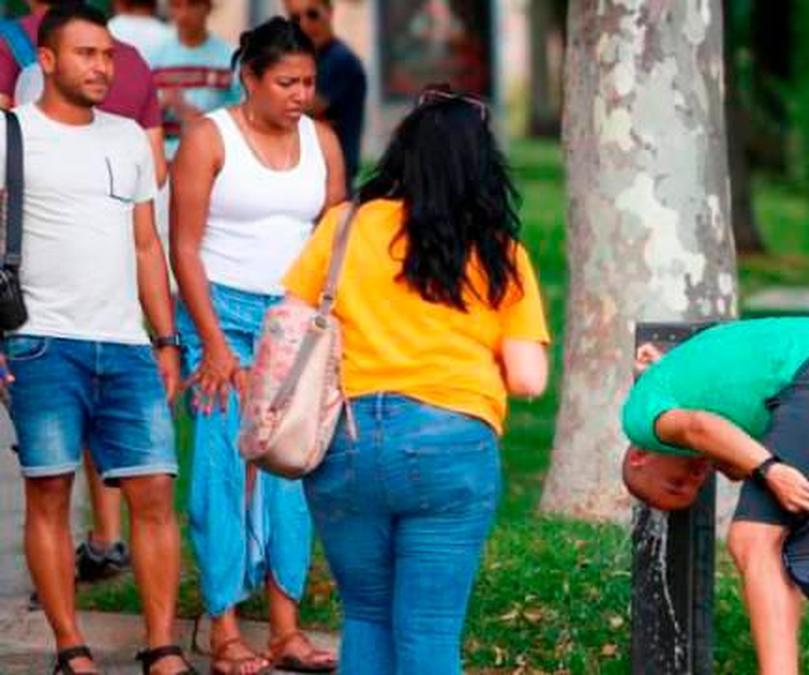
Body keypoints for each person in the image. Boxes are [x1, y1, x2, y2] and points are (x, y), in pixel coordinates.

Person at [281, 86, 550, 674]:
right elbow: (529, 378)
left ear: (403, 153)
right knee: (428, 629)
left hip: (344, 442)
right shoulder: (497, 250)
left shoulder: (345, 226)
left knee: (367, 616)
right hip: (452, 443)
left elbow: (292, 319)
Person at [0, 4, 193, 674]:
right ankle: (69, 645)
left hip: (127, 345)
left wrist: (165, 338)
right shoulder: (9, 134)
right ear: (46, 61)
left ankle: (163, 645)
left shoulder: (127, 139)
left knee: (154, 494)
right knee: (48, 493)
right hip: (42, 342)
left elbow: (146, 244)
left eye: (107, 55)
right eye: (86, 54)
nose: (102, 67)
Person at [170, 16, 344, 675]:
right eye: (286, 82)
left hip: (293, 322)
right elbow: (182, 246)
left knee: (290, 470)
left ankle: (285, 628)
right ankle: (222, 628)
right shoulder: (209, 137)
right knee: (220, 470)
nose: (300, 93)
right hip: (219, 313)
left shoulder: (321, 140)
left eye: (308, 81)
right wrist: (212, 342)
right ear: (249, 77)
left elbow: (330, 242)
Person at [621, 317, 809, 675]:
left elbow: (698, 427)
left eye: (674, 484)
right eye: (692, 489)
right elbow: (719, 417)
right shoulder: (678, 387)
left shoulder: (639, 420)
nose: (694, 479)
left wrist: (770, 468)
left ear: (639, 455)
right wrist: (746, 464)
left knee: (754, 538)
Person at [283, 0, 365, 192]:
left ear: (329, 12)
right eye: (295, 18)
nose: (304, 25)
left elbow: (302, 106)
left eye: (312, 14)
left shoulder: (341, 59)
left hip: (332, 180)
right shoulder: (305, 59)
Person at [150, 0, 240, 159]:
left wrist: (191, 115)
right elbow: (139, 117)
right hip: (164, 159)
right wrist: (160, 105)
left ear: (208, 7)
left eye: (192, 5)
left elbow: (241, 116)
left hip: (213, 157)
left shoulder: (230, 58)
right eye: (177, 5)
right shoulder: (154, 57)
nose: (184, 14)